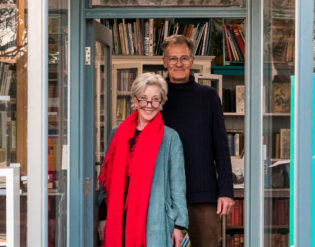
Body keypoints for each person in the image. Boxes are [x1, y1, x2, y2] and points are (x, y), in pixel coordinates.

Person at [97, 73, 188, 247]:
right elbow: (106, 182)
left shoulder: (170, 138)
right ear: (134, 100)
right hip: (118, 219)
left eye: (155, 99)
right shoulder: (117, 134)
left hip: (154, 220)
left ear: (161, 102)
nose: (149, 105)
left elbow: (178, 185)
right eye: (144, 99)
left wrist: (180, 225)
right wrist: (103, 217)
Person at [161, 35, 235, 247]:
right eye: (173, 59)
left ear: (192, 61)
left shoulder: (208, 96)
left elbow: (221, 147)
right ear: (165, 62)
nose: (178, 64)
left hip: (203, 195)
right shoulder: (156, 98)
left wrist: (226, 191)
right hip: (165, 196)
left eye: (184, 58)